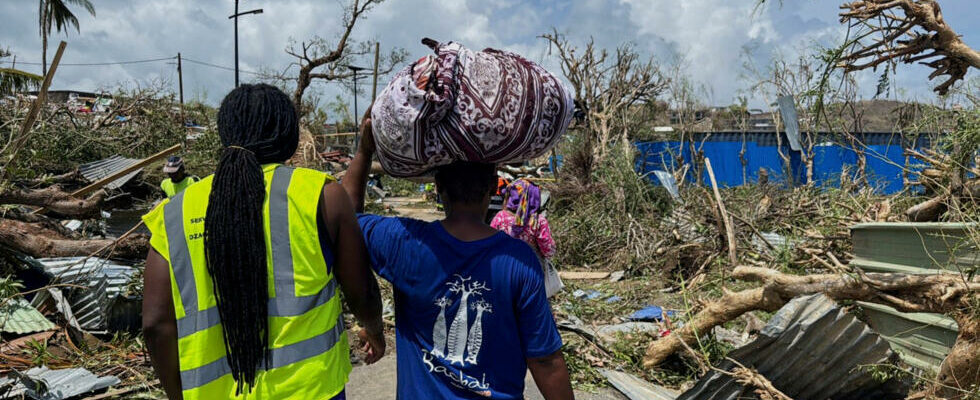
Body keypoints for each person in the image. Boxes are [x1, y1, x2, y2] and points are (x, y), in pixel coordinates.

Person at [141, 84, 385, 400]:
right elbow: (361, 291)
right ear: (289, 137)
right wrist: (375, 330)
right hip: (309, 390)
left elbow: (156, 324)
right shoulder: (318, 194)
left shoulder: (174, 214)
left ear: (224, 134)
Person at [342, 113, 574, 400]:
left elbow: (345, 223)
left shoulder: (405, 242)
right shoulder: (518, 260)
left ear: (438, 187)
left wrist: (365, 150)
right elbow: (546, 361)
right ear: (493, 187)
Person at [490, 179, 562, 297]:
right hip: (532, 271)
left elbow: (490, 244)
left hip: (504, 269)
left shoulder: (500, 217)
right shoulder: (537, 221)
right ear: (534, 198)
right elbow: (549, 250)